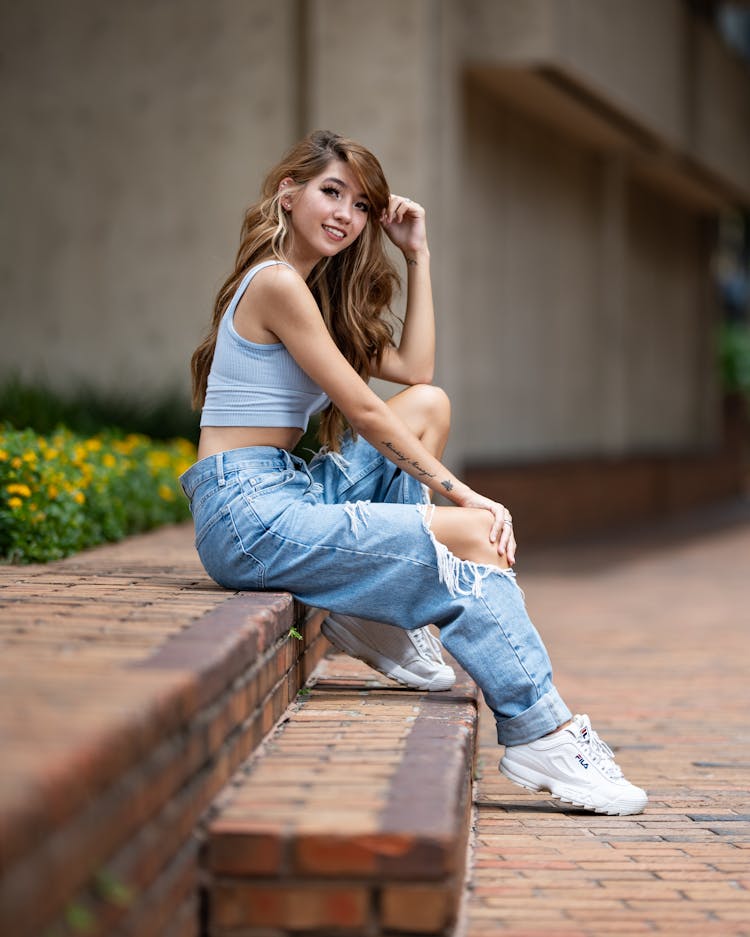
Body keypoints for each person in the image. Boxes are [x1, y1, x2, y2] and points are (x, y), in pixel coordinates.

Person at [181, 130, 647, 816]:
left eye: (361, 203)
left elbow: (414, 374)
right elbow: (368, 412)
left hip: (281, 488)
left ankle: (380, 624)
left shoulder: (310, 290)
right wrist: (466, 494)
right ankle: (543, 731)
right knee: (471, 534)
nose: (345, 213)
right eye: (330, 191)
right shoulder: (278, 283)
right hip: (246, 511)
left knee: (429, 404)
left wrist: (418, 254)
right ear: (289, 192)